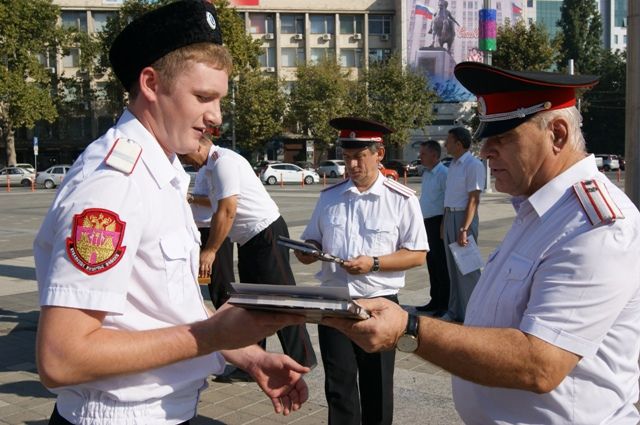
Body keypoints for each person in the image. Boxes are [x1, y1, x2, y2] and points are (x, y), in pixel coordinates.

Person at [33, 2, 310, 423]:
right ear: (151, 83)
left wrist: (247, 354)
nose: (216, 117)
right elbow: (61, 358)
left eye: (219, 99)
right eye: (203, 97)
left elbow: (162, 305)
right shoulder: (114, 183)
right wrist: (211, 334)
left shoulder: (160, 170)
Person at [322, 62, 640, 424]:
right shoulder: (541, 209)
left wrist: (408, 328)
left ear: (557, 134)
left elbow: (541, 364)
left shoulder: (594, 226)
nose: (486, 151)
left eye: (502, 138)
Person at [294, 117, 428, 425]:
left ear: (379, 154)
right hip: (334, 301)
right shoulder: (330, 197)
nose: (352, 164)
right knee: (338, 385)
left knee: (376, 384)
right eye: (347, 156)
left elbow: (417, 255)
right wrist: (308, 251)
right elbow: (313, 238)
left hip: (379, 303)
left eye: (359, 156)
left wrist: (374, 263)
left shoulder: (401, 199)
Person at [179, 137, 317, 370]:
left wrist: (211, 250)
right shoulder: (211, 168)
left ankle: (302, 360)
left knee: (283, 300)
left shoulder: (224, 162)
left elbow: (227, 210)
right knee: (253, 304)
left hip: (266, 233)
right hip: (247, 239)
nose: (186, 162)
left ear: (198, 146)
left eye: (185, 156)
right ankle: (254, 361)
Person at [442, 126, 485, 322]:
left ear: (458, 144)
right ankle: (454, 311)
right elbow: (450, 195)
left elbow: (474, 199)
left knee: (467, 269)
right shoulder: (453, 164)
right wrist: (444, 223)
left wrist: (464, 228)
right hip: (450, 216)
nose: (445, 144)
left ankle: (474, 314)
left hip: (463, 219)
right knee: (452, 269)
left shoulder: (473, 165)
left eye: (449, 141)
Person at [187, 166, 235, 309]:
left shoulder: (216, 168)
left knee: (221, 280)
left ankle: (226, 315)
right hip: (201, 228)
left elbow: (219, 201)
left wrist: (191, 198)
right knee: (210, 279)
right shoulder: (203, 169)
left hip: (214, 229)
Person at [416, 140, 450, 316]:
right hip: (426, 222)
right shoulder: (427, 173)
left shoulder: (443, 174)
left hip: (438, 222)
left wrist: (444, 223)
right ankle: (434, 299)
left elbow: (448, 201)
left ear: (434, 155)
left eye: (423, 154)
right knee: (431, 262)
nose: (420, 156)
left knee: (441, 264)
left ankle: (444, 303)